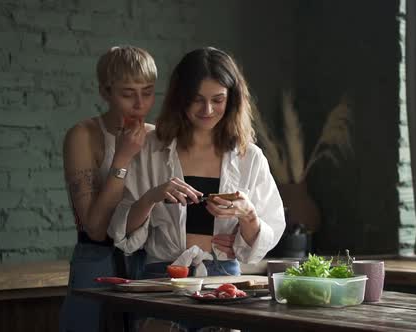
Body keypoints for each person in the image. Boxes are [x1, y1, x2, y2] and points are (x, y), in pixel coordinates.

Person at [108, 44, 285, 292]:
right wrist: (151, 197)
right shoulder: (151, 149)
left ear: (232, 99)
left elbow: (269, 232)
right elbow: (121, 233)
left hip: (225, 277)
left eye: (218, 100)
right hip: (163, 275)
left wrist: (248, 214)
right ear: (180, 98)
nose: (208, 110)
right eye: (197, 100)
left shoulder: (250, 157)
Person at [59, 45, 157, 332]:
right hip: (97, 258)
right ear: (105, 92)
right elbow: (96, 228)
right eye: (127, 94)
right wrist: (123, 157)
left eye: (148, 92)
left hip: (145, 260)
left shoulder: (158, 136)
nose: (139, 104)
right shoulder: (83, 135)